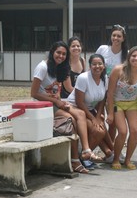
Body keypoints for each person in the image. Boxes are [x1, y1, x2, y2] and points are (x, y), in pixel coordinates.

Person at [31, 41, 102, 174]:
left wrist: (59, 100)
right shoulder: (42, 67)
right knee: (72, 120)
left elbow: (56, 89)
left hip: (55, 103)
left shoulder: (61, 67)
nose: (61, 56)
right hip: (42, 107)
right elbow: (34, 93)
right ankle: (75, 160)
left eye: (64, 54)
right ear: (52, 52)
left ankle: (86, 150)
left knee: (80, 114)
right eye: (58, 52)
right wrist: (56, 102)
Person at [106, 46, 137, 170]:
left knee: (135, 131)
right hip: (117, 103)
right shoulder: (118, 70)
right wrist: (110, 113)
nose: (136, 58)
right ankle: (116, 158)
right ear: (129, 57)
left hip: (133, 103)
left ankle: (128, 159)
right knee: (123, 131)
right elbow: (110, 93)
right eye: (133, 56)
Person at [67, 53, 112, 162]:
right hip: (75, 108)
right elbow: (79, 102)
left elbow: (102, 99)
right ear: (90, 66)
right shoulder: (83, 78)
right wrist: (93, 118)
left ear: (104, 66)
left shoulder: (104, 78)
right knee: (99, 131)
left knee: (100, 125)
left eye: (100, 64)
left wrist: (98, 115)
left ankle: (109, 151)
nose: (97, 66)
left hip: (89, 109)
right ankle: (84, 156)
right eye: (94, 64)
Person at [96, 24, 129, 160]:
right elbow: (94, 65)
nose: (116, 38)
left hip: (116, 94)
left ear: (123, 38)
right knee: (100, 119)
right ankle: (108, 151)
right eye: (114, 35)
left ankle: (114, 150)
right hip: (100, 90)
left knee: (113, 122)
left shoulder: (126, 54)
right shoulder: (103, 49)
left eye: (119, 36)